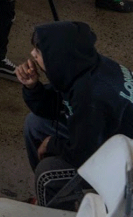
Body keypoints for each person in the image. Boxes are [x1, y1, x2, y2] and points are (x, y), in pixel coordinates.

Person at [16, 21, 133, 208]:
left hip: (124, 165)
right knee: (35, 124)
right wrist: (33, 87)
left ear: (58, 58)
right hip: (105, 136)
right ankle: (51, 197)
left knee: (47, 173)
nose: (32, 54)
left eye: (38, 51)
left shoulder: (91, 96)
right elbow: (57, 105)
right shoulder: (85, 66)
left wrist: (52, 144)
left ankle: (57, 206)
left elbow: (84, 154)